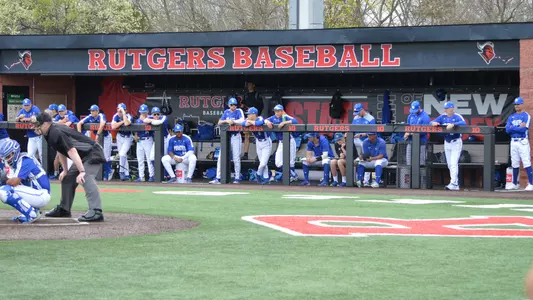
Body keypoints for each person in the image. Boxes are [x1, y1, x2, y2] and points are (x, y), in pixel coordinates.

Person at [34, 112, 106, 222]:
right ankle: (64, 209)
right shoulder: (49, 132)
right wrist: (66, 170)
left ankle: (96, 211)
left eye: (38, 124)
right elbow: (61, 150)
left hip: (92, 152)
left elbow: (71, 150)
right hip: (82, 156)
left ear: (45, 124)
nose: (37, 127)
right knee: (67, 179)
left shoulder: (55, 131)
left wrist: (82, 171)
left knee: (85, 177)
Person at [0, 138, 50, 223]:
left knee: (5, 191)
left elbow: (14, 182)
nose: (8, 159)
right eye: (6, 157)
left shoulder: (24, 159)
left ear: (15, 152)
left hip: (41, 195)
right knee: (4, 189)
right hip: (36, 193)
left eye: (8, 156)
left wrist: (3, 178)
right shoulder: (18, 162)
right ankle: (31, 211)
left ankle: (31, 213)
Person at [431, 101, 467, 191]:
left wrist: (454, 124)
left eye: (447, 108)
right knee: (449, 164)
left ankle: (454, 183)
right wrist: (434, 123)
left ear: (452, 108)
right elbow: (431, 121)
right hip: (447, 142)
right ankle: (454, 183)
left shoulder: (457, 116)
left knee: (453, 164)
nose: (446, 110)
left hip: (456, 142)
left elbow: (464, 123)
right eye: (445, 108)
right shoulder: (443, 116)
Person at [209, 98, 245, 184]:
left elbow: (242, 120)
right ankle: (218, 178)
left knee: (236, 158)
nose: (233, 106)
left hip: (236, 136)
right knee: (221, 157)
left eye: (235, 105)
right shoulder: (226, 112)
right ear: (229, 105)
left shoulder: (239, 111)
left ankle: (237, 178)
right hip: (227, 137)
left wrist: (233, 121)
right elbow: (219, 122)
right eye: (232, 105)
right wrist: (226, 120)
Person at [264, 104, 299, 182]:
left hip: (290, 141)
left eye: (278, 111)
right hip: (281, 142)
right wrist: (267, 122)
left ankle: (291, 176)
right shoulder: (273, 118)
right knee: (278, 162)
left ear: (282, 111)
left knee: (291, 161)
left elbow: (295, 121)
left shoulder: (285, 117)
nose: (277, 113)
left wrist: (284, 122)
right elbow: (264, 119)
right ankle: (293, 174)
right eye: (276, 111)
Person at [78, 104, 113, 180]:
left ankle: (109, 171)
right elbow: (79, 123)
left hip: (106, 137)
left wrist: (97, 134)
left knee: (106, 155)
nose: (91, 112)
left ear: (97, 111)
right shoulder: (90, 116)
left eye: (93, 111)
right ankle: (103, 173)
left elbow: (103, 123)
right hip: (99, 137)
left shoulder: (101, 115)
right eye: (91, 110)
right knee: (97, 154)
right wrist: (79, 135)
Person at [505, 97, 533, 191]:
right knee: (515, 163)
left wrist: (513, 127)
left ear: (522, 104)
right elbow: (507, 130)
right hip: (513, 141)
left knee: (526, 162)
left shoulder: (526, 116)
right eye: (515, 104)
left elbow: (524, 129)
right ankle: (514, 183)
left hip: (523, 141)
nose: (516, 106)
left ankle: (531, 183)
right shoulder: (511, 116)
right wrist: (517, 127)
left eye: (518, 104)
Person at [242, 107, 271, 184]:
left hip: (266, 142)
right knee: (262, 162)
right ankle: (266, 178)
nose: (247, 116)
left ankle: (258, 174)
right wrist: (249, 122)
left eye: (249, 114)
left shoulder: (260, 118)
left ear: (254, 114)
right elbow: (243, 123)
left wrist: (250, 122)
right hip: (258, 142)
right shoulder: (248, 119)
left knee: (263, 163)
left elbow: (259, 123)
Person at [352, 103, 375, 186]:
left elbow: (373, 133)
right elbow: (352, 129)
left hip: (367, 140)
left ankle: (366, 180)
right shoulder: (356, 118)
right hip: (357, 139)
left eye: (358, 112)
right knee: (349, 142)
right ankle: (353, 158)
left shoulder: (371, 118)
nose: (357, 114)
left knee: (366, 157)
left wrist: (362, 134)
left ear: (362, 110)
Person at [242, 81, 264, 160]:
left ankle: (259, 154)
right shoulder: (246, 95)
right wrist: (245, 108)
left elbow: (261, 106)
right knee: (246, 135)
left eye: (250, 84)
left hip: (255, 117)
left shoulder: (257, 94)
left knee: (257, 136)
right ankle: (245, 154)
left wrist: (254, 113)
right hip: (248, 117)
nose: (248, 86)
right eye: (247, 84)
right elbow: (242, 105)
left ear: (253, 85)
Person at [404, 100, 431, 165]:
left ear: (419, 108)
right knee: (409, 163)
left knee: (421, 164)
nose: (414, 112)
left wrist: (410, 133)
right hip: (410, 142)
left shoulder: (425, 117)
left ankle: (421, 176)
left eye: (415, 110)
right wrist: (406, 133)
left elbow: (424, 132)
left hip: (421, 143)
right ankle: (410, 175)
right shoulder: (410, 116)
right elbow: (408, 127)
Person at [144, 106, 170, 173]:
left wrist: (151, 121)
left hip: (165, 139)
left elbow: (160, 122)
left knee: (165, 158)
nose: (156, 116)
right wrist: (152, 120)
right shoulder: (150, 117)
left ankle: (167, 174)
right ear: (152, 114)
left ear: (160, 114)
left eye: (158, 114)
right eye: (154, 114)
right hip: (156, 140)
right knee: (152, 158)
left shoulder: (164, 117)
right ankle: (159, 173)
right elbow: (144, 120)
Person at [111, 103, 133, 181]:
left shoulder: (129, 116)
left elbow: (127, 123)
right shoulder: (116, 116)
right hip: (120, 137)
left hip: (128, 137)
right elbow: (113, 126)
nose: (119, 112)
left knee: (122, 154)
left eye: (121, 110)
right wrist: (121, 122)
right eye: (118, 110)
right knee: (122, 156)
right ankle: (126, 174)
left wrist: (124, 114)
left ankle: (121, 172)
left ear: (125, 110)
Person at [15, 98, 41, 162]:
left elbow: (34, 119)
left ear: (31, 105)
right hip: (31, 136)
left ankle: (44, 170)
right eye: (25, 105)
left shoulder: (35, 108)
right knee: (30, 155)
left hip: (39, 135)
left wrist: (24, 119)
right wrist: (19, 118)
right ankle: (33, 170)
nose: (26, 107)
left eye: (27, 105)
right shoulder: (22, 110)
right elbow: (16, 119)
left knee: (42, 154)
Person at [134, 104, 155, 182]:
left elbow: (151, 122)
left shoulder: (150, 118)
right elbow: (136, 130)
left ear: (147, 112)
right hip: (140, 141)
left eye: (144, 112)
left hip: (148, 139)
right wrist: (135, 135)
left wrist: (144, 119)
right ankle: (141, 176)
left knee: (149, 159)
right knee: (140, 160)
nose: (143, 114)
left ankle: (151, 176)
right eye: (142, 112)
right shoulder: (138, 120)